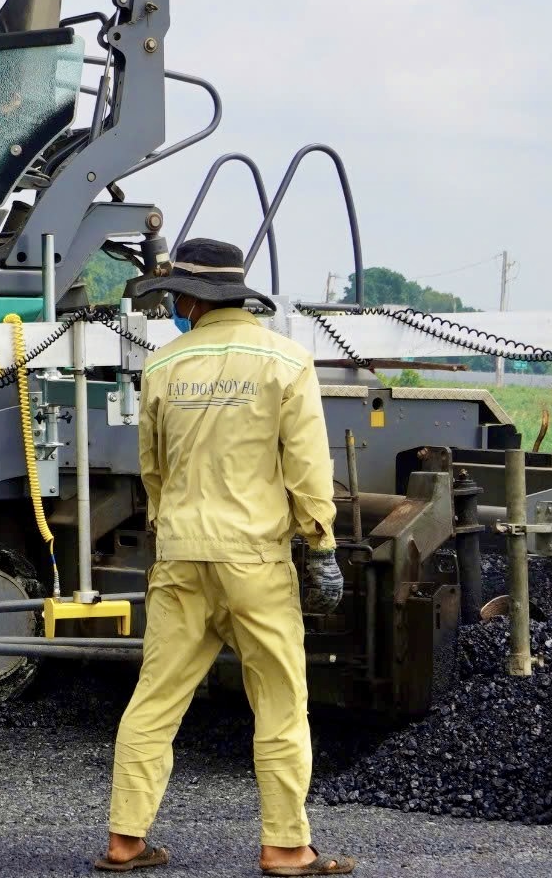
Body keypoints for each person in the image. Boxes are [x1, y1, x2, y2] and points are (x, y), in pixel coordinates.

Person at [96, 238, 354, 876]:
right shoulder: (286, 363)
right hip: (254, 562)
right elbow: (308, 470)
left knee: (155, 700)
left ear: (190, 300)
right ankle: (287, 846)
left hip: (181, 556)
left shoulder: (164, 366)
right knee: (279, 701)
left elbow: (150, 470)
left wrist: (171, 528)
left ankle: (126, 841)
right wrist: (321, 543)